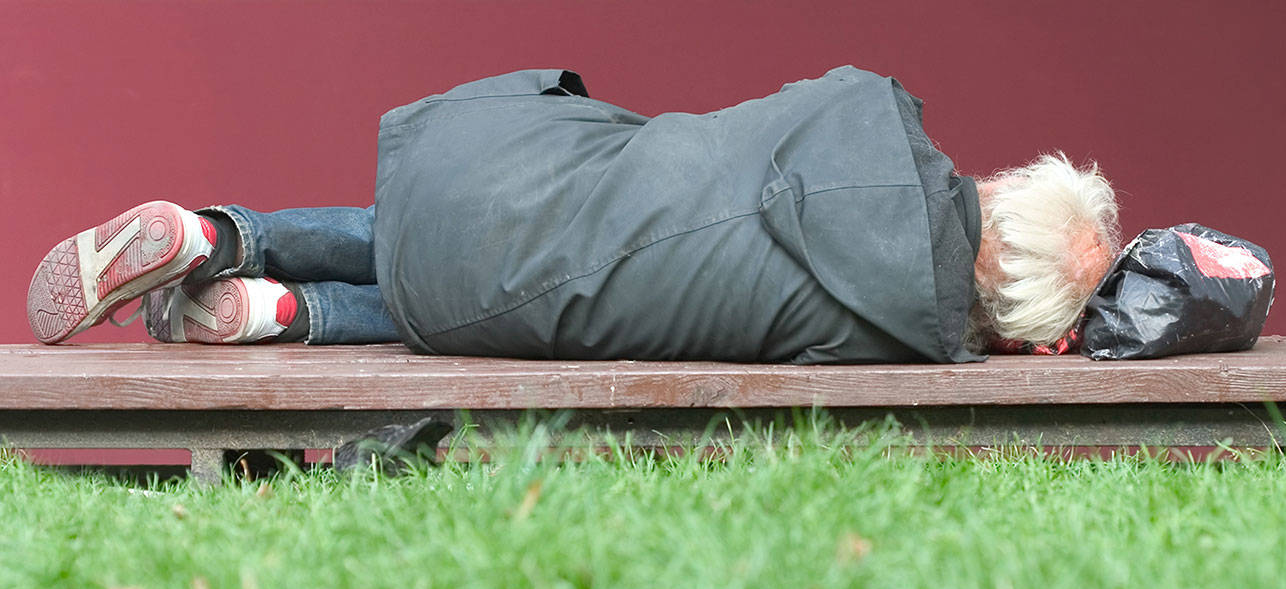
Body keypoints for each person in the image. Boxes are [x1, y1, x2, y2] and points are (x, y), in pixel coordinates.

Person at [27, 67, 1119, 362]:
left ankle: (222, 238)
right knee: (529, 288)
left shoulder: (862, 104)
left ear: (1009, 185)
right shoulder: (898, 336)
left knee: (539, 205)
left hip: (478, 180)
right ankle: (285, 312)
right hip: (485, 308)